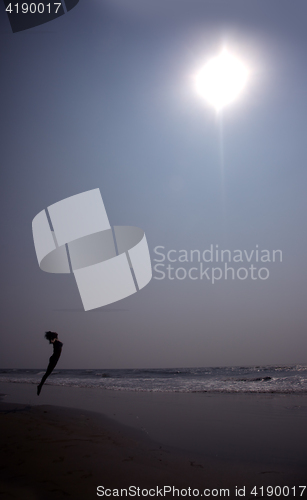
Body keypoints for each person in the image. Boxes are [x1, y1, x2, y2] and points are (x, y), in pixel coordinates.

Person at [37, 331, 63, 396]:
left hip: (55, 359)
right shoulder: (54, 340)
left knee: (48, 373)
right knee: (47, 373)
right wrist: (52, 339)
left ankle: (40, 385)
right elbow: (52, 341)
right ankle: (40, 386)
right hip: (54, 359)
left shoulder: (57, 340)